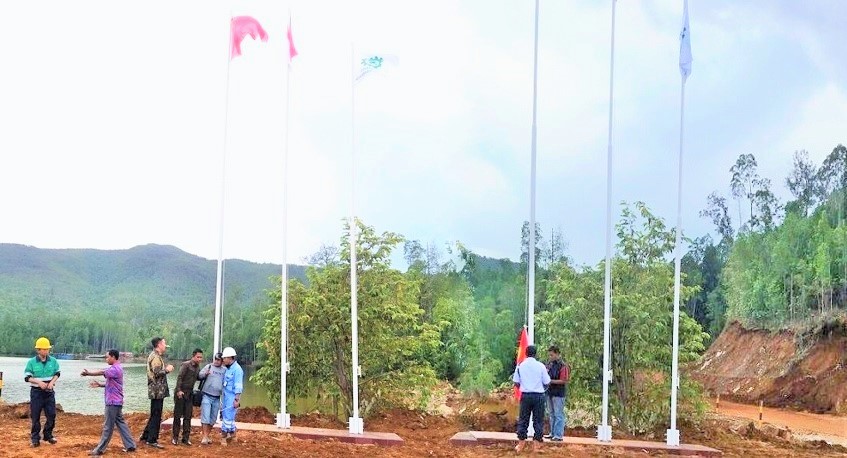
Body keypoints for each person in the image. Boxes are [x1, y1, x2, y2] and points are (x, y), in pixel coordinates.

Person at [82, 349, 137, 455]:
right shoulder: (117, 368)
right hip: (117, 401)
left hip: (112, 402)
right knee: (121, 423)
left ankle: (99, 450)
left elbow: (103, 372)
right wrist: (100, 384)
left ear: (113, 357)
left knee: (108, 427)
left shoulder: (115, 369)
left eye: (107, 357)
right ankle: (130, 445)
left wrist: (88, 373)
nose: (106, 359)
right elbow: (113, 384)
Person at [512, 345, 550, 453]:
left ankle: (520, 445)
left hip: (526, 395)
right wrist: (542, 388)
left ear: (526, 353)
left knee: (523, 420)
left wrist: (524, 387)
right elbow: (547, 382)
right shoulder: (541, 366)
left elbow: (516, 381)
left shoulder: (520, 365)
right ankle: (536, 446)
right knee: (538, 420)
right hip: (538, 396)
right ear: (535, 354)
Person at [24, 337, 61, 447]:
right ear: (38, 350)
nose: (45, 351)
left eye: (47, 349)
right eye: (43, 349)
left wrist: (52, 382)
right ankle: (35, 439)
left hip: (49, 392)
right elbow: (27, 378)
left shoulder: (53, 361)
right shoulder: (31, 362)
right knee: (35, 416)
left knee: (52, 415)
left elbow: (57, 373)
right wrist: (38, 382)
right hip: (36, 392)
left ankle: (48, 435)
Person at [139, 337, 174, 449]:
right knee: (156, 414)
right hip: (157, 390)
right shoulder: (155, 357)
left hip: (156, 390)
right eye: (164, 343)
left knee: (154, 413)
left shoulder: (155, 356)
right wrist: (168, 369)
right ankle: (152, 440)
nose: (165, 345)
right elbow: (157, 372)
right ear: (159, 344)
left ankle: (146, 436)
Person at [172, 348, 203, 445]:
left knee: (188, 416)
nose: (199, 359)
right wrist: (178, 390)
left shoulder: (198, 367)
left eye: (201, 357)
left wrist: (205, 374)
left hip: (189, 394)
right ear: (193, 356)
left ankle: (185, 438)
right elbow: (180, 377)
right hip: (181, 393)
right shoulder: (186, 365)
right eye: (198, 357)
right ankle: (175, 438)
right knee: (177, 416)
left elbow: (198, 377)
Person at [197, 352, 226, 445]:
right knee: (205, 416)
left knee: (213, 418)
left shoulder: (224, 370)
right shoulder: (208, 367)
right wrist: (205, 374)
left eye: (219, 360)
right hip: (206, 395)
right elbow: (199, 376)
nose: (216, 361)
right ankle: (205, 437)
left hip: (217, 397)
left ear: (222, 361)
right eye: (215, 359)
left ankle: (207, 435)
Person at [544, 345, 570, 441]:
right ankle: (552, 433)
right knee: (551, 413)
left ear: (557, 354)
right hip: (549, 392)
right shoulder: (549, 365)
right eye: (549, 355)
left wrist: (550, 381)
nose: (550, 357)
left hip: (559, 393)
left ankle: (558, 435)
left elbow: (564, 380)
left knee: (558, 414)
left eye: (552, 355)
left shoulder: (563, 366)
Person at [220, 346, 244, 445]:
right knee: (227, 416)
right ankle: (233, 435)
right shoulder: (228, 369)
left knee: (228, 417)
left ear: (230, 358)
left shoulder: (237, 370)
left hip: (232, 397)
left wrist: (236, 399)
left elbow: (238, 385)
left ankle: (224, 437)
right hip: (226, 396)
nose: (223, 360)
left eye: (225, 358)